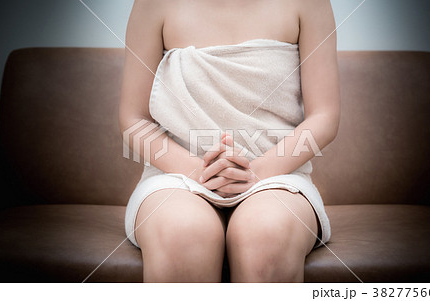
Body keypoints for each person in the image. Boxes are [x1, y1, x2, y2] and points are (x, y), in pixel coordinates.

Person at [119, 0, 340, 282]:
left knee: (265, 233)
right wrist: (199, 173)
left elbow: (324, 117)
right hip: (175, 177)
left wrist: (255, 173)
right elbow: (134, 119)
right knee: (183, 233)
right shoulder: (151, 4)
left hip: (279, 178)